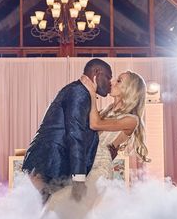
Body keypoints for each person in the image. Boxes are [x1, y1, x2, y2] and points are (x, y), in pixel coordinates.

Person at [22, 59, 112, 204]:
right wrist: (79, 179)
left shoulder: (80, 91)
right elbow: (75, 134)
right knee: (53, 211)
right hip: (52, 160)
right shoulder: (79, 92)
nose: (110, 83)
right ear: (97, 73)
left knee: (52, 210)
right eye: (108, 77)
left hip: (51, 159)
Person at [68, 70, 150, 206]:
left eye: (119, 81)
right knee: (74, 207)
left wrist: (91, 93)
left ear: (130, 90)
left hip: (100, 167)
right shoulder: (107, 111)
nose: (112, 82)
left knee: (87, 210)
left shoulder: (131, 120)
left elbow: (95, 124)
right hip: (85, 163)